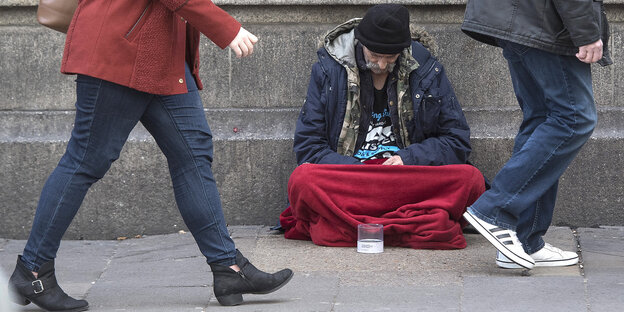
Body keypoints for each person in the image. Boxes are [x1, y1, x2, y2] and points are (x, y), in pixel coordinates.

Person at [8, 0, 292, 310]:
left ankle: (229, 269)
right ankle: (32, 271)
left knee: (192, 156)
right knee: (85, 161)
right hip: (120, 49)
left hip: (160, 54)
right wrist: (225, 27)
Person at [280, 4, 486, 250]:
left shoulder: (427, 70)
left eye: (390, 58)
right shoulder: (329, 70)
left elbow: (457, 140)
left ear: (403, 50)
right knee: (302, 179)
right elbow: (309, 147)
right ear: (360, 43)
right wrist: (356, 169)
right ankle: (411, 223)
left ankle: (349, 225)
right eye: (374, 55)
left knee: (471, 179)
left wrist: (408, 158)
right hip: (352, 177)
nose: (380, 65)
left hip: (406, 175)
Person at [461, 0, 612, 269]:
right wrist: (586, 31)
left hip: (517, 16)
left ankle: (523, 239)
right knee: (573, 119)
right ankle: (494, 210)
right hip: (543, 20)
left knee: (542, 119)